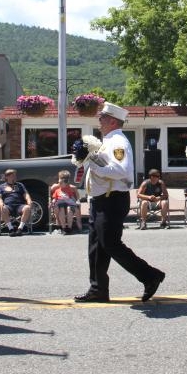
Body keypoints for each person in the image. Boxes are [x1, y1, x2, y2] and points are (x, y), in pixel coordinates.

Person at [73, 102, 165, 303]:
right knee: (96, 246)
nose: (99, 120)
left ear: (112, 121)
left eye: (102, 117)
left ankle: (150, 276)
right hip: (101, 200)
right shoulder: (107, 141)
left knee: (110, 244)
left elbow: (122, 171)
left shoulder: (118, 142)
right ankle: (98, 288)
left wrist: (95, 168)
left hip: (112, 200)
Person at [0, 168, 33, 236]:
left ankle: (20, 229)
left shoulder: (20, 185)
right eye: (13, 176)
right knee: (2, 208)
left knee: (27, 208)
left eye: (15, 175)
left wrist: (29, 200)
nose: (15, 177)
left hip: (19, 205)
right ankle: (10, 229)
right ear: (7, 177)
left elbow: (26, 194)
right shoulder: (1, 186)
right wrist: (0, 201)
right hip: (8, 206)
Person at [50, 170, 82, 235]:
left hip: (69, 204)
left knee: (69, 209)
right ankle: (62, 227)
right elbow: (53, 196)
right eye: (60, 179)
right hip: (60, 204)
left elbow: (77, 197)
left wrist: (77, 201)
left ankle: (69, 228)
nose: (61, 181)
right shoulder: (56, 187)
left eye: (64, 180)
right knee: (60, 209)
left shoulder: (72, 187)